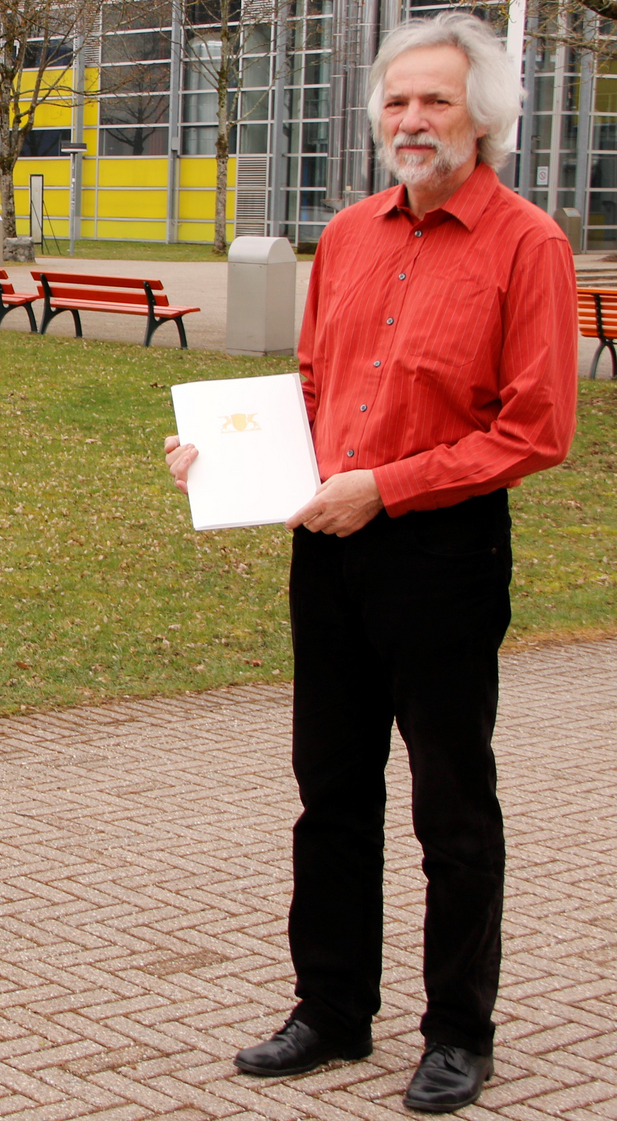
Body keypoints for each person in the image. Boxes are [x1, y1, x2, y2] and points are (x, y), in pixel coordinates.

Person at [165, 13, 575, 1114]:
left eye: (435, 100)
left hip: (441, 552)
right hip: (328, 549)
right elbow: (309, 391)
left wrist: (386, 487)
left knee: (452, 803)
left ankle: (458, 1031)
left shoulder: (528, 244)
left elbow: (536, 429)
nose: (411, 119)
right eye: (396, 101)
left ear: (482, 117)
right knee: (330, 791)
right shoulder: (345, 235)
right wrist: (218, 455)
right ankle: (333, 1008)